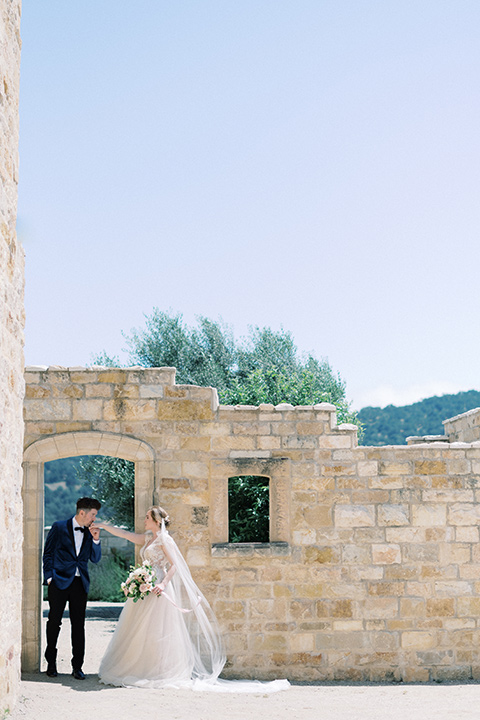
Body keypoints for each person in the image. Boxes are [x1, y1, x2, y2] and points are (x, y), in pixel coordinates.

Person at [95, 507, 289, 692]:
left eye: (147, 517)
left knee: (157, 629)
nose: (143, 520)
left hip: (159, 588)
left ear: (156, 521)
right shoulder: (148, 538)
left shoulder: (164, 540)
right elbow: (126, 535)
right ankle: (138, 668)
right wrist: (103, 526)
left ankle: (158, 672)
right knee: (140, 630)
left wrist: (163, 584)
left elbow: (175, 565)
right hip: (146, 588)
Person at [42, 496, 102, 679]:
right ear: (82, 512)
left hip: (79, 583)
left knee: (79, 625)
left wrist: (96, 540)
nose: (94, 519)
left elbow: (95, 558)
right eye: (93, 514)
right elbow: (48, 553)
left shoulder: (90, 531)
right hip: (58, 581)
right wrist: (49, 577)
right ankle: (51, 663)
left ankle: (78, 667)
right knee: (54, 622)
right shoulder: (59, 527)